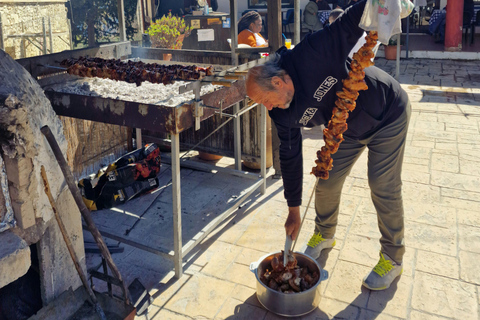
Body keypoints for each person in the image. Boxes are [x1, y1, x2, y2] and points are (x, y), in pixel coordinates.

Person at [246, 0, 410, 291]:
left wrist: (381, 3)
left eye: (265, 100)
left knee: (382, 184)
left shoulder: (311, 54)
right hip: (346, 129)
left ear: (279, 81)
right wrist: (293, 209)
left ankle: (392, 258)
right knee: (327, 181)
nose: (266, 107)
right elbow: (291, 154)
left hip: (387, 113)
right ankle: (324, 235)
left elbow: (348, 22)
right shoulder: (280, 111)